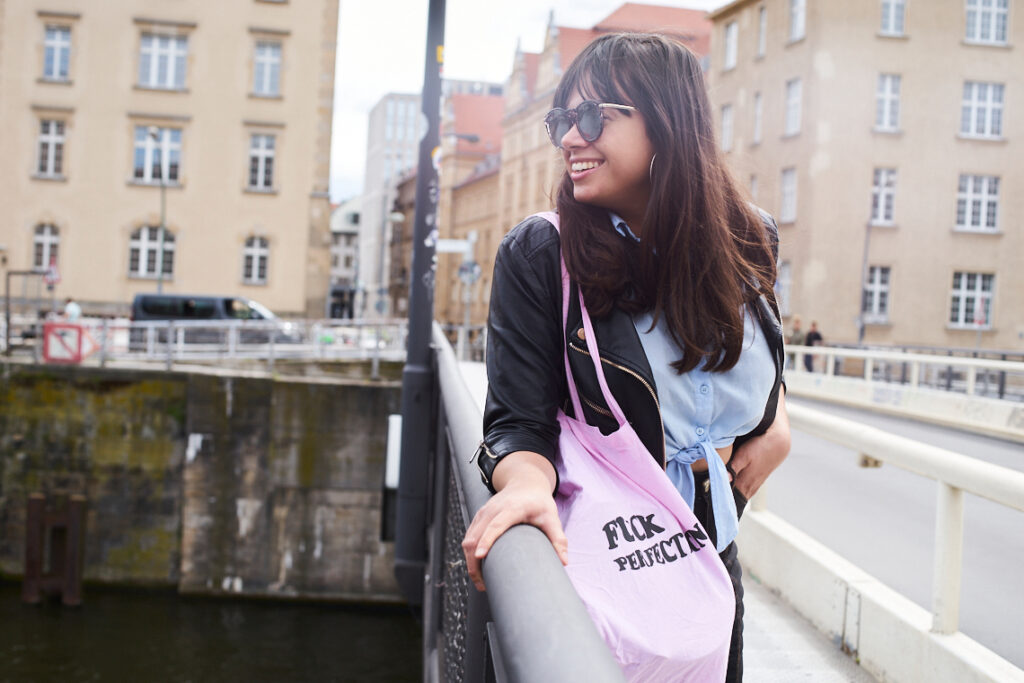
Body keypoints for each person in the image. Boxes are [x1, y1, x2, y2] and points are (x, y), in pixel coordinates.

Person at [461, 33, 791, 682]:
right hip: (610, 564)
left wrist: (778, 421)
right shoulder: (540, 253)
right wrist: (527, 486)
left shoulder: (750, 237)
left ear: (665, 123)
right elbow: (517, 421)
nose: (568, 139)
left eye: (592, 118)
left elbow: (760, 354)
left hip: (710, 552)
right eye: (562, 119)